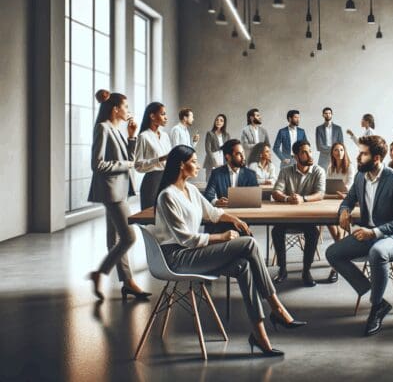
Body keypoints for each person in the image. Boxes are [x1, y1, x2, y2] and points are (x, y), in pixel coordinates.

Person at [153, 145, 306, 358]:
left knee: (243, 266)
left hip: (192, 252)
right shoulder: (167, 196)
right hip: (177, 258)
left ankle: (260, 336)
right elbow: (187, 239)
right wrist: (222, 237)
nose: (198, 165)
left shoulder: (191, 190)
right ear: (181, 164)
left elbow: (213, 212)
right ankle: (277, 308)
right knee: (249, 244)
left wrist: (235, 219)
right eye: (194, 161)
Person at [326, 135, 393, 337]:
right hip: (369, 234)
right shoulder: (360, 176)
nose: (358, 157)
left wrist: (374, 232)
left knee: (377, 252)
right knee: (333, 253)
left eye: (363, 154)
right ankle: (381, 302)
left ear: (376, 158)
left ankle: (375, 308)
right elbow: (348, 199)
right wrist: (344, 211)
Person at [87, 90, 151, 301]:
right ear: (115, 109)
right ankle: (100, 273)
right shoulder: (102, 128)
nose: (128, 111)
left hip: (119, 190)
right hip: (111, 192)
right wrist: (126, 164)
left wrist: (131, 136)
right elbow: (97, 165)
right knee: (129, 237)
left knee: (114, 239)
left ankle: (128, 282)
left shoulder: (117, 129)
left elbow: (129, 159)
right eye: (126, 107)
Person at [271, 140, 326, 287]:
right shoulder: (285, 171)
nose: (309, 155)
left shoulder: (319, 171)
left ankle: (306, 271)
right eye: (304, 152)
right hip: (287, 217)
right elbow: (275, 192)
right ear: (296, 156)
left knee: (313, 233)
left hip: (308, 218)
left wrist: (303, 199)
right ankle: (282, 270)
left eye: (310, 151)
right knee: (276, 231)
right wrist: (287, 198)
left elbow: (320, 194)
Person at [324, 142, 354, 283]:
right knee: (326, 219)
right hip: (332, 199)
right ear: (332, 153)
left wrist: (342, 192)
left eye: (341, 149)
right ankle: (340, 251)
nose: (339, 152)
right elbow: (327, 185)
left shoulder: (350, 167)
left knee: (340, 225)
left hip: (345, 201)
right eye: (336, 150)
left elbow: (349, 186)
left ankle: (334, 268)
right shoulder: (330, 167)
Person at [134, 102, 172, 210]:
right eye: (162, 114)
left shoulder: (165, 136)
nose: (166, 117)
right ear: (152, 116)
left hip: (167, 180)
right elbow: (138, 165)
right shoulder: (143, 137)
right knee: (150, 216)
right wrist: (160, 159)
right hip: (152, 183)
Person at [203, 139, 258, 207]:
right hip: (225, 210)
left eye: (243, 152)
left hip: (246, 211)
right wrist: (216, 202)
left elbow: (255, 199)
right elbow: (208, 195)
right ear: (228, 156)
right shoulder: (216, 173)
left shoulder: (251, 174)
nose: (243, 157)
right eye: (238, 154)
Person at [203, 114, 230, 179]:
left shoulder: (227, 135)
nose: (218, 122)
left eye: (221, 120)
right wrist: (214, 162)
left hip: (223, 160)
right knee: (210, 180)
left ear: (224, 123)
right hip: (211, 160)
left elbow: (228, 148)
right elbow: (208, 149)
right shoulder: (210, 133)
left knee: (222, 180)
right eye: (217, 120)